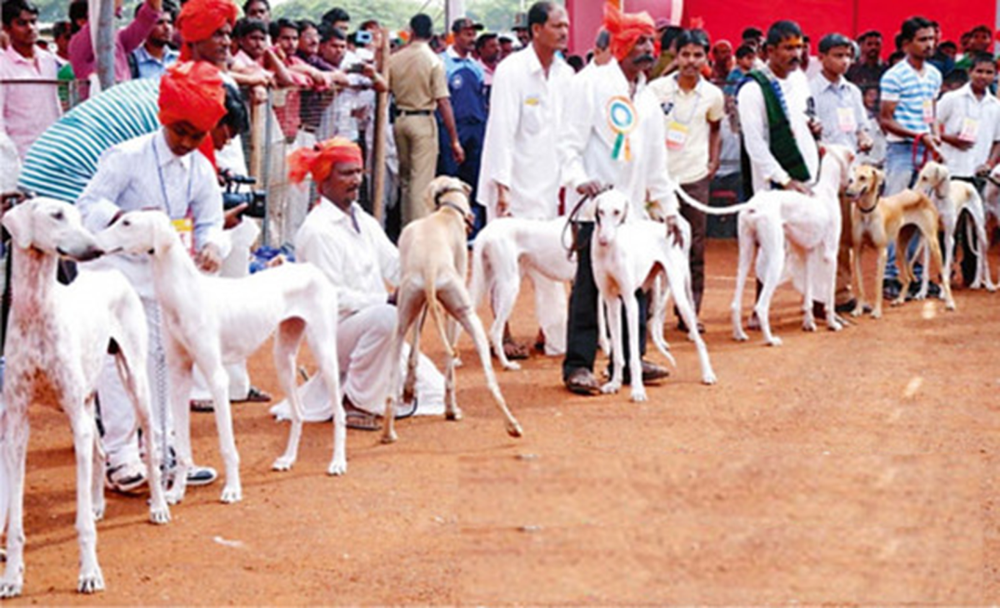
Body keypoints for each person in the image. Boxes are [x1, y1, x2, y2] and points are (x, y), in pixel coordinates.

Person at [76, 61, 233, 493]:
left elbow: (210, 222)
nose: (186, 142)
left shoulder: (200, 169)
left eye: (196, 136)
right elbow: (87, 206)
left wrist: (214, 249)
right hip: (114, 276)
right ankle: (122, 459)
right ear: (165, 118)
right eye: (180, 131)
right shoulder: (127, 156)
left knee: (167, 364)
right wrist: (128, 219)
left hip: (164, 282)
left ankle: (166, 453)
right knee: (121, 365)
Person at [268, 137, 444, 429]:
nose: (356, 180)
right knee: (388, 318)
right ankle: (354, 401)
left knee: (434, 393)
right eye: (346, 173)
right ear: (324, 179)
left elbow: (395, 264)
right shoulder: (317, 231)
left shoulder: (365, 221)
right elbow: (329, 298)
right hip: (335, 331)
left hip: (372, 326)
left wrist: (425, 268)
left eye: (358, 172)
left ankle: (356, 383)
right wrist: (384, 301)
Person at [559, 4, 681, 395]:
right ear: (621, 45)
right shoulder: (589, 83)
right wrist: (579, 181)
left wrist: (670, 210)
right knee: (588, 288)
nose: (649, 48)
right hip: (594, 209)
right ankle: (578, 365)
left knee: (638, 283)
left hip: (633, 211)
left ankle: (630, 361)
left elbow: (657, 165)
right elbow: (568, 144)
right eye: (640, 41)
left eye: (652, 41)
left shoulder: (649, 97)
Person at [477, 1, 575, 360]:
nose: (564, 31)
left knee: (550, 264)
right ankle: (499, 334)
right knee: (504, 268)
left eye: (566, 26)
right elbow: (501, 130)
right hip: (512, 185)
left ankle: (555, 339)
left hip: (549, 187)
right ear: (536, 30)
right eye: (557, 25)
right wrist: (502, 187)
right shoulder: (512, 70)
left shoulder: (566, 76)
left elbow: (569, 135)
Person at [648, 28, 724, 333]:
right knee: (653, 244)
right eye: (685, 54)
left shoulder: (712, 95)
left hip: (694, 179)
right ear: (675, 56)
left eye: (697, 55)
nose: (691, 61)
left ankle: (689, 312)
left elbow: (716, 127)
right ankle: (649, 313)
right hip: (659, 179)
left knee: (694, 246)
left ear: (705, 57)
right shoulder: (656, 90)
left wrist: (713, 160)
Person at [809, 32, 874, 314]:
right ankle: (818, 293)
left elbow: (861, 125)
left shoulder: (852, 92)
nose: (844, 61)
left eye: (848, 55)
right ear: (821, 57)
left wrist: (864, 138)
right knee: (822, 234)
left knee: (846, 234)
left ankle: (841, 291)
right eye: (837, 55)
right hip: (822, 171)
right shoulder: (810, 91)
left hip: (850, 172)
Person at [878, 16, 942, 299]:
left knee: (919, 212)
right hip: (902, 151)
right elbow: (885, 119)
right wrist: (918, 136)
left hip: (926, 152)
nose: (929, 45)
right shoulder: (894, 75)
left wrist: (934, 135)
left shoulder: (934, 75)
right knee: (895, 213)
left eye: (931, 39)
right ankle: (889, 275)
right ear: (906, 44)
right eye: (922, 39)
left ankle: (911, 274)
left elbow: (932, 112)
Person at [389, 13, 462, 228]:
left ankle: (405, 229)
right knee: (420, 184)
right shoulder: (433, 61)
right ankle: (418, 234)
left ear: (411, 31)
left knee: (405, 182)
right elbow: (443, 102)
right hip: (422, 120)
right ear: (431, 33)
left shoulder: (395, 58)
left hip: (400, 120)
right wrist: (454, 139)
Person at [937, 52, 1000, 285]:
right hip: (951, 169)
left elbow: (997, 141)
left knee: (975, 224)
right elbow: (932, 126)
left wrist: (990, 164)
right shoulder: (952, 99)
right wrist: (950, 140)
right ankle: (946, 269)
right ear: (970, 72)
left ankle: (972, 272)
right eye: (979, 71)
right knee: (947, 224)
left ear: (995, 75)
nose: (984, 76)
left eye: (989, 72)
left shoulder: (996, 106)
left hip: (978, 173)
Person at [438, 17, 488, 235]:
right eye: (467, 34)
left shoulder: (476, 67)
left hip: (476, 128)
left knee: (473, 180)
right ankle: (449, 228)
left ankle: (472, 230)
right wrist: (453, 137)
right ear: (455, 35)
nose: (472, 39)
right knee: (451, 179)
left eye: (473, 34)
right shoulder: (442, 63)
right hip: (452, 128)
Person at [0, 0, 61, 161]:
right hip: (18, 155)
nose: (30, 28)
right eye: (22, 23)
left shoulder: (48, 60)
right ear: (6, 28)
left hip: (52, 150)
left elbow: (54, 104)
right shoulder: (2, 65)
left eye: (33, 22)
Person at [68, 0, 162, 92]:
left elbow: (147, 17)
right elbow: (100, 20)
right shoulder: (77, 44)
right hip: (99, 103)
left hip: (123, 101)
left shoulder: (118, 38)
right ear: (81, 21)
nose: (111, 23)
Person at [129, 6, 179, 79]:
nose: (167, 27)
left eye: (169, 22)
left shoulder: (179, 59)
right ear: (144, 27)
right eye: (159, 22)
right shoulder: (132, 61)